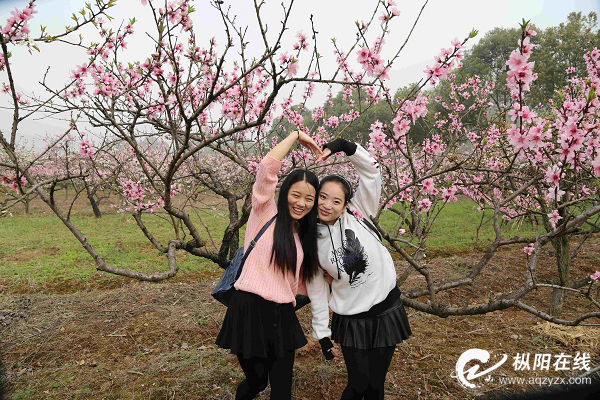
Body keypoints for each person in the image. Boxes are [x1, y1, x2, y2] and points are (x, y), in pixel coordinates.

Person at [216, 130, 322, 400]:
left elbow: (302, 284)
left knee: (282, 390)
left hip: (282, 315)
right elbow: (266, 169)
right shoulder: (265, 212)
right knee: (256, 383)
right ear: (285, 192)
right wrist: (296, 135)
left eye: (309, 199)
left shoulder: (306, 236)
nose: (301, 203)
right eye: (296, 195)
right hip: (248, 311)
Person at [308, 138, 412, 400]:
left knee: (376, 386)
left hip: (386, 310)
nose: (327, 205)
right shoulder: (310, 239)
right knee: (358, 385)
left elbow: (371, 172)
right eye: (322, 197)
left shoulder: (359, 213)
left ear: (346, 204)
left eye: (335, 201)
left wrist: (344, 146)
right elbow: (317, 289)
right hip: (351, 318)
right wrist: (322, 333)